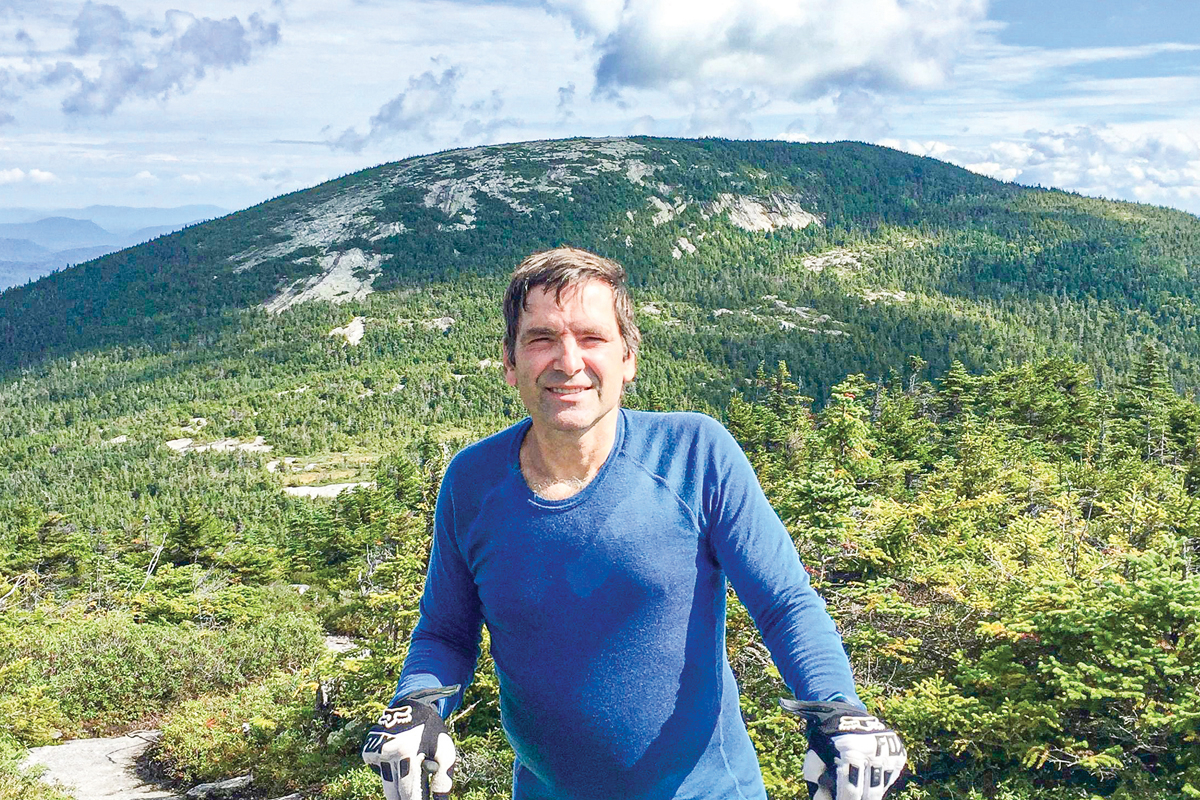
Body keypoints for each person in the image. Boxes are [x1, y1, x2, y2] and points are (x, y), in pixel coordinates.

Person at [361, 247, 907, 800]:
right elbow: (445, 634)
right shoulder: (471, 482)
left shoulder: (696, 454)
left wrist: (838, 708)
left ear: (628, 359)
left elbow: (784, 602)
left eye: (592, 338)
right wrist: (417, 706)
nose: (568, 361)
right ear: (510, 362)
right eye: (542, 338)